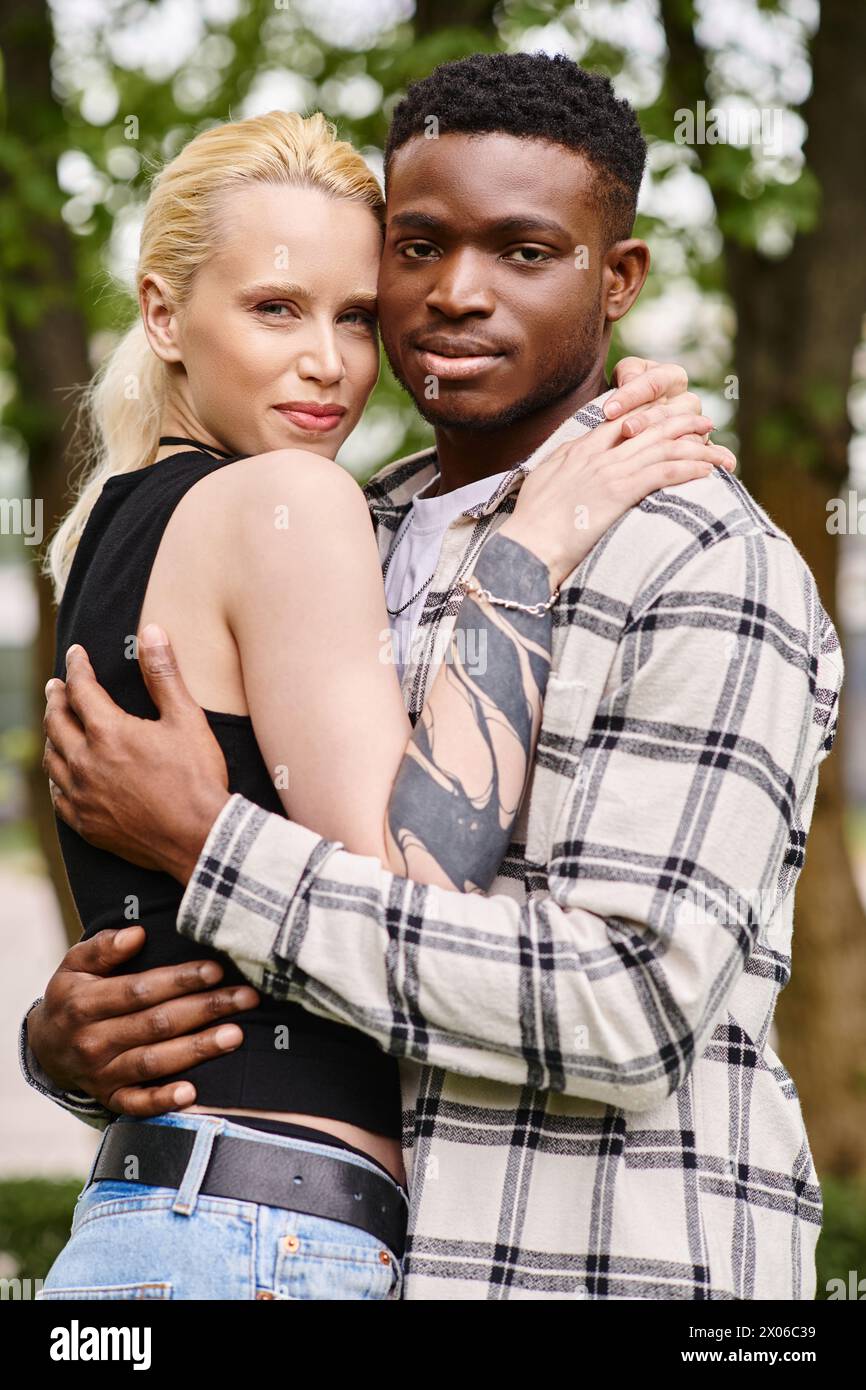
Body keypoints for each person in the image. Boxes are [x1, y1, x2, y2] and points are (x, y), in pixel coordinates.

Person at [28, 52, 839, 1300]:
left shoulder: (698, 555)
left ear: (615, 277)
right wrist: (66, 1045)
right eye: (413, 251)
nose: (454, 293)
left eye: (522, 251)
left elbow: (626, 1007)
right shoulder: (344, 521)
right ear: (162, 313)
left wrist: (210, 845)